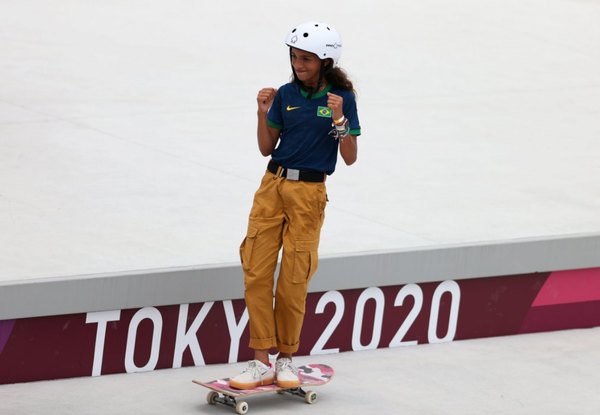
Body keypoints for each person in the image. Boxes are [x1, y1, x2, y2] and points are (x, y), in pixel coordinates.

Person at [229, 21, 361, 390]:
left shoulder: (341, 99)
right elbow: (265, 147)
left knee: (293, 280)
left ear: (326, 62)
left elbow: (349, 157)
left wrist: (338, 120)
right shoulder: (285, 93)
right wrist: (262, 111)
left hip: (308, 194)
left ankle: (286, 359)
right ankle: (260, 362)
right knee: (255, 272)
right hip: (272, 185)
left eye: (306, 59)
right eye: (294, 56)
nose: (298, 63)